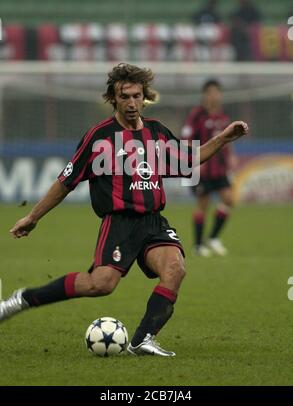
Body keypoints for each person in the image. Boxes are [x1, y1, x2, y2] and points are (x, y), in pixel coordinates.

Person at [1, 64, 248, 356]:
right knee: (100, 284)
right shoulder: (99, 137)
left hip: (153, 221)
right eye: (125, 97)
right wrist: (32, 217)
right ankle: (24, 299)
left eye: (136, 96)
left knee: (175, 268)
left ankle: (142, 339)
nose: (131, 103)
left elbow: (188, 159)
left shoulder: (156, 132)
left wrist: (224, 138)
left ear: (145, 97)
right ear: (113, 99)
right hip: (119, 222)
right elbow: (66, 181)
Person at [181, 79, 238, 257]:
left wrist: (231, 156)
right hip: (202, 168)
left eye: (217, 92)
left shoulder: (223, 116)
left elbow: (228, 139)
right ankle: (198, 246)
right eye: (211, 92)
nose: (214, 96)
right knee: (202, 205)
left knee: (229, 199)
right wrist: (192, 163)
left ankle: (213, 237)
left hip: (219, 168)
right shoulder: (196, 115)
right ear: (205, 94)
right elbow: (186, 139)